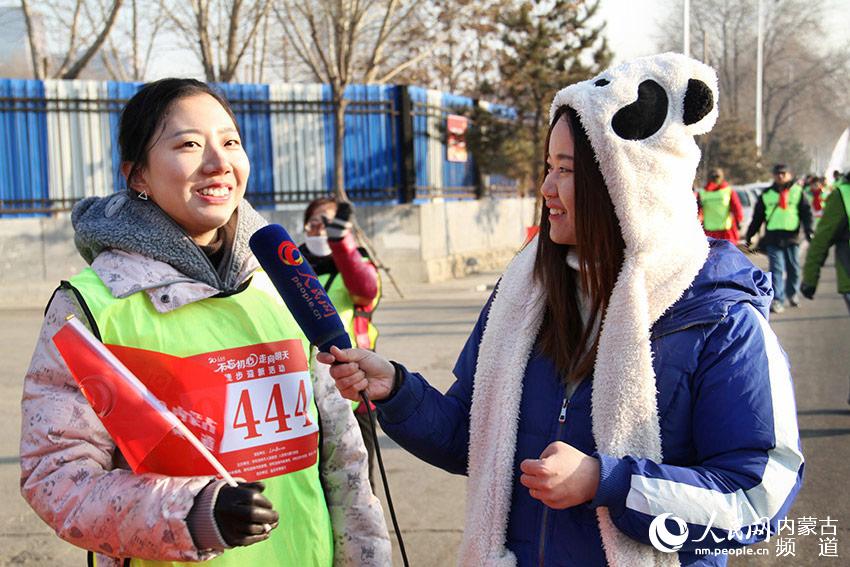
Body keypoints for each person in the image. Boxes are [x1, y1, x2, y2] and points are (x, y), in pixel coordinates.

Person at [319, 54, 803, 566]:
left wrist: (610, 482)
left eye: (566, 171)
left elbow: (756, 497)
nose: (547, 188)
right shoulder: (525, 294)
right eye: (548, 167)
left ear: (629, 183)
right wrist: (397, 390)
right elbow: (475, 438)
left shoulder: (719, 319)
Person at [19, 78, 390, 567]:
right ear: (138, 177)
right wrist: (192, 514)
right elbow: (57, 477)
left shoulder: (284, 283)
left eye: (230, 141)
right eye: (189, 144)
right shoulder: (92, 307)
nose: (218, 163)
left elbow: (342, 464)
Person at [299, 197, 381, 487]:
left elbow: (365, 290)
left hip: (351, 384)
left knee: (355, 482)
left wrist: (340, 244)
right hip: (304, 388)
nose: (320, 230)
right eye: (315, 222)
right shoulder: (291, 266)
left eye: (330, 224)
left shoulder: (358, 263)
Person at [744, 163, 814, 313]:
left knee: (793, 268)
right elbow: (758, 217)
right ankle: (777, 300)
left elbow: (806, 213)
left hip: (792, 237)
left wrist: (809, 230)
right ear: (774, 176)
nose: (780, 176)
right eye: (778, 174)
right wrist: (750, 235)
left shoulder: (797, 192)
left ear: (789, 174)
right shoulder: (767, 194)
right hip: (773, 237)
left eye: (784, 173)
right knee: (776, 269)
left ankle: (793, 293)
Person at [802, 171, 850, 315]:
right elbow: (822, 239)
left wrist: (810, 280)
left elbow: (822, 240)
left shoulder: (842, 194)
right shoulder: (842, 194)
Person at [697, 167, 744, 243]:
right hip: (726, 232)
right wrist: (739, 222)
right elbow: (737, 209)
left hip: (710, 233)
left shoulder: (702, 193)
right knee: (727, 254)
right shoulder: (728, 191)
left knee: (712, 254)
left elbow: (697, 212)